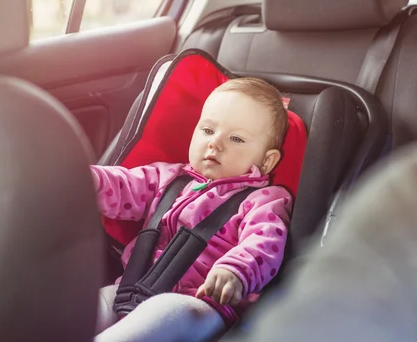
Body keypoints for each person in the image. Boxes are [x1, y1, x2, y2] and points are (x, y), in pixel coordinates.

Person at [92, 77, 293, 342]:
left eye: (236, 138)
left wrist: (235, 270)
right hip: (128, 289)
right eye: (208, 130)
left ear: (267, 161)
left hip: (199, 305)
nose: (215, 143)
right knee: (81, 307)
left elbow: (264, 243)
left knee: (160, 312)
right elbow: (123, 185)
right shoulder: (168, 177)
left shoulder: (264, 200)